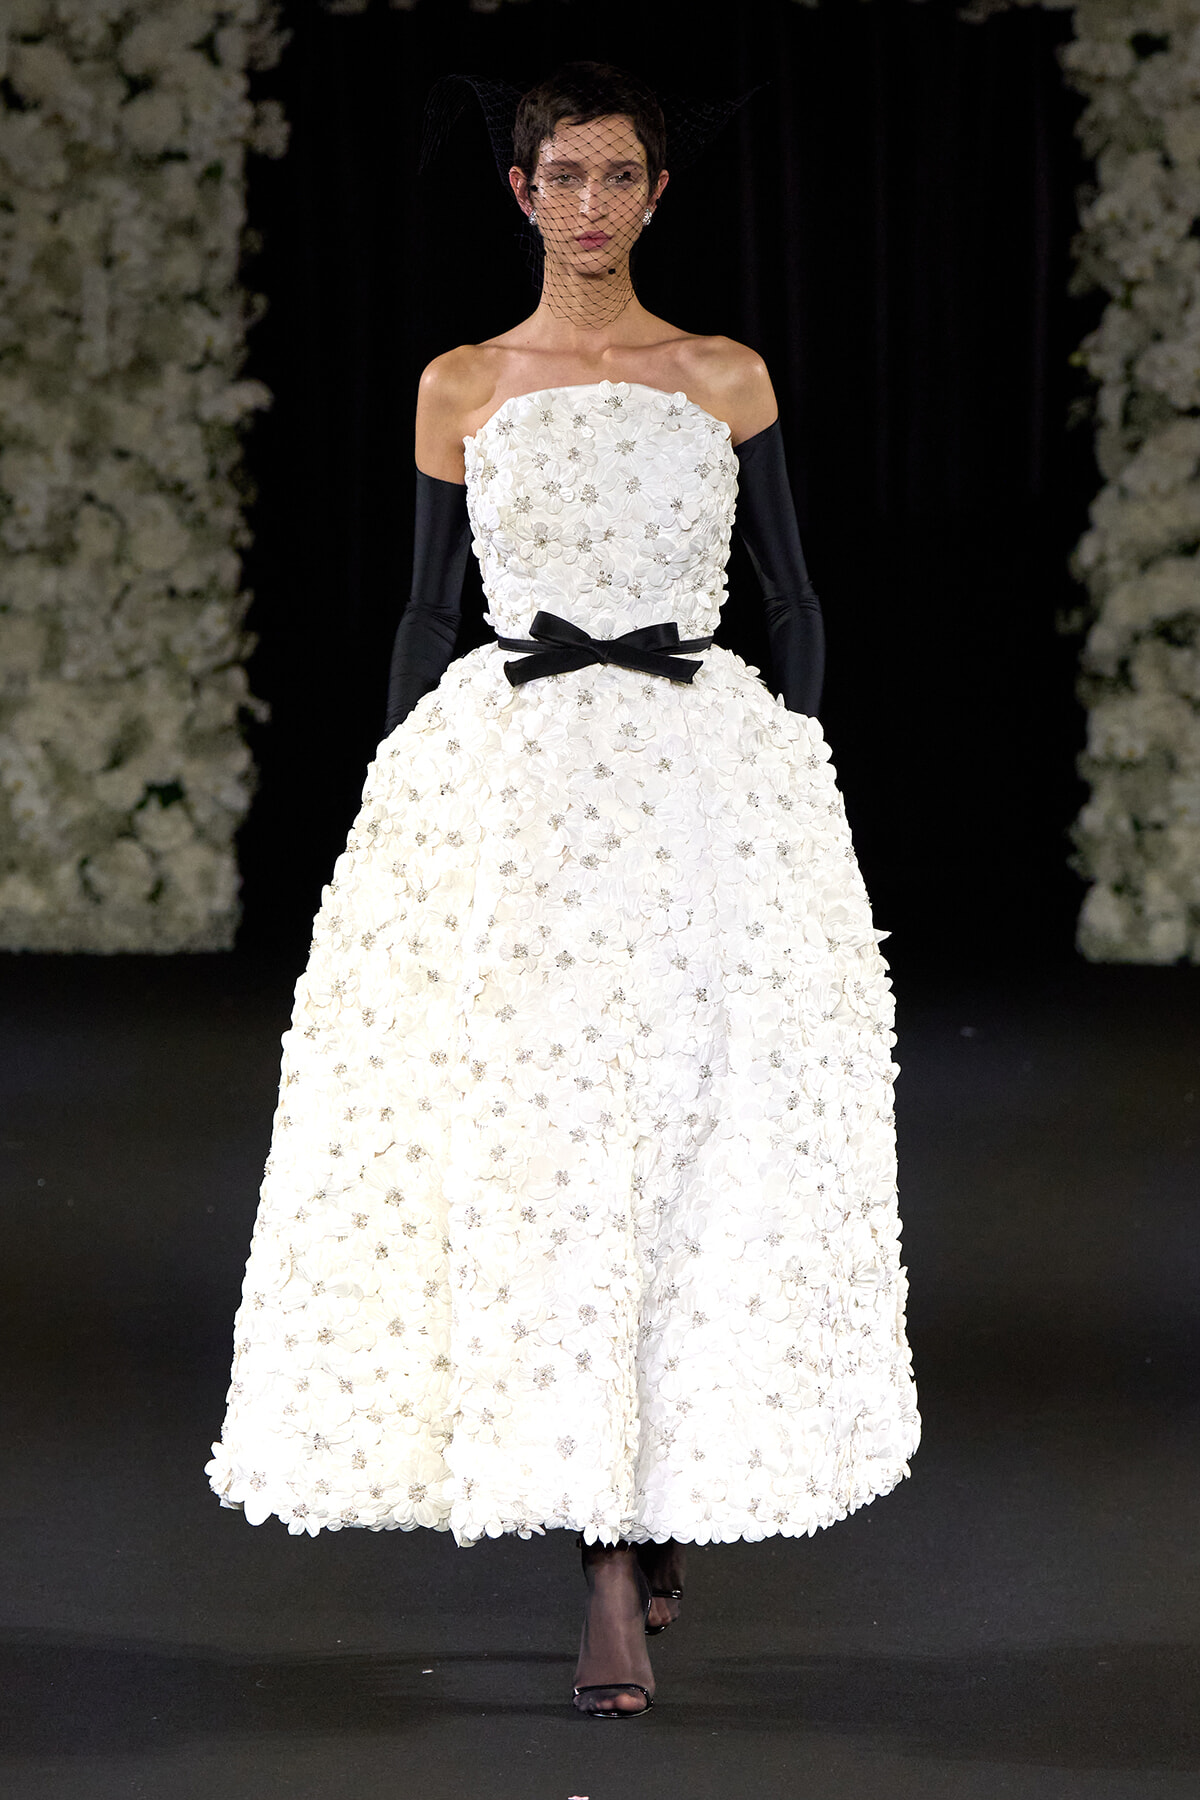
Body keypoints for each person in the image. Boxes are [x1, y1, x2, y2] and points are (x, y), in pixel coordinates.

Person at [208, 60, 920, 1720]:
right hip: (519, 792)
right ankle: (603, 1551)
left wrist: (796, 775)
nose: (590, 205)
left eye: (619, 177)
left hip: (699, 792)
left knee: (685, 1131)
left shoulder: (720, 372)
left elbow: (795, 595)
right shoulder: (459, 383)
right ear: (516, 192)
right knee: (548, 1146)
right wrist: (396, 799)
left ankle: (650, 1494)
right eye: (562, 176)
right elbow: (419, 609)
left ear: (655, 197)